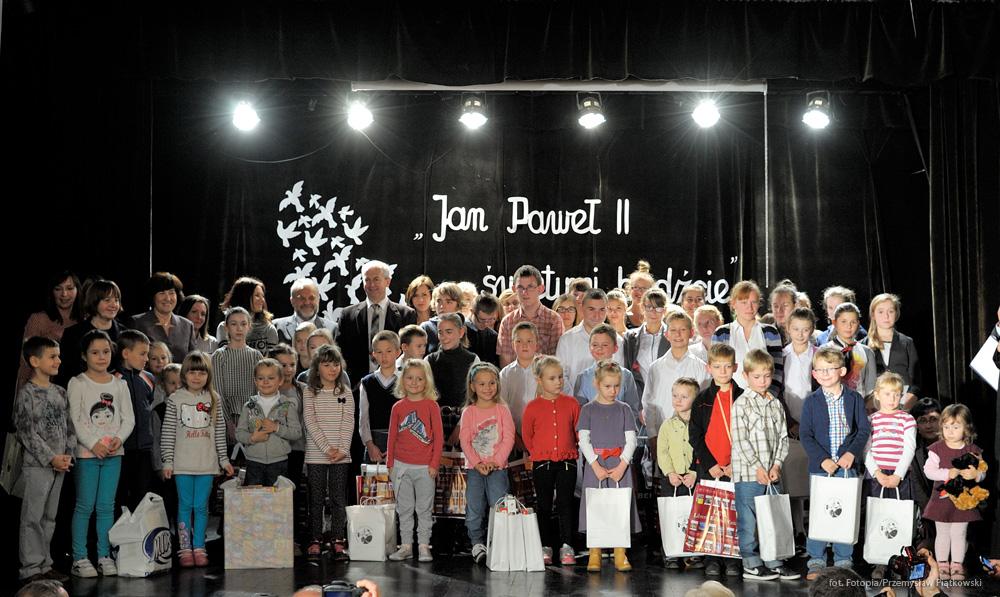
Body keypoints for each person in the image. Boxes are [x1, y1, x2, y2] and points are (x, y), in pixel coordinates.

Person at [800, 347, 871, 580]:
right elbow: (806, 435)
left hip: (846, 468)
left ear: (841, 371)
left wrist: (850, 454)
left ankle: (843, 559)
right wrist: (823, 460)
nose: (824, 374)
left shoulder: (854, 398)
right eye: (820, 370)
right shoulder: (811, 401)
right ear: (814, 374)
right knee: (820, 512)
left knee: (845, 512)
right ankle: (816, 559)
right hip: (821, 468)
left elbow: (863, 430)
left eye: (830, 369)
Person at [67, 330, 134, 578]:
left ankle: (104, 555)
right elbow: (74, 419)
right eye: (95, 352)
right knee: (85, 506)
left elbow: (128, 419)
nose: (101, 356)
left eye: (106, 351)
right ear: (84, 356)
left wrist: (118, 439)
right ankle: (80, 558)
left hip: (113, 455)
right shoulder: (78, 383)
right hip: (87, 455)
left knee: (106, 507)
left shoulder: (119, 384)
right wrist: (93, 443)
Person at [161, 351, 234, 568]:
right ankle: (185, 548)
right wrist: (167, 461)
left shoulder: (214, 398)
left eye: (202, 373)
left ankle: (199, 546)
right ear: (184, 374)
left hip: (206, 464)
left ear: (208, 375)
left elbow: (219, 432)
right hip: (182, 464)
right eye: (192, 372)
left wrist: (224, 459)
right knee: (185, 506)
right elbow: (168, 433)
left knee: (201, 507)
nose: (196, 377)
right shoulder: (175, 399)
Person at [730, 349, 798, 581]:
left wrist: (776, 465)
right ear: (746, 376)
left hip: (772, 474)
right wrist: (758, 467)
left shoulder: (776, 404)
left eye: (767, 376)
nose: (762, 381)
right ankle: (750, 562)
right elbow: (741, 441)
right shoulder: (741, 404)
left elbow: (783, 438)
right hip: (749, 474)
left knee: (773, 517)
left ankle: (774, 559)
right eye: (757, 376)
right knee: (748, 520)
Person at [16, 337, 74, 584]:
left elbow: (69, 427)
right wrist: (51, 458)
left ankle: (45, 564)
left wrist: (67, 455)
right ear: (34, 361)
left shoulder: (60, 392)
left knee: (49, 517)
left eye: (58, 356)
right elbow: (26, 432)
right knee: (33, 517)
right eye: (52, 356)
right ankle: (31, 568)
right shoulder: (26, 394)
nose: (58, 360)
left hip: (60, 465)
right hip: (37, 465)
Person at [579, 360, 640, 572]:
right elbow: (583, 440)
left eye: (616, 386)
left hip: (618, 466)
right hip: (596, 466)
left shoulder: (624, 409)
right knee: (595, 506)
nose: (612, 391)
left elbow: (631, 440)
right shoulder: (588, 410)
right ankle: (594, 552)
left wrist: (623, 465)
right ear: (597, 384)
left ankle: (620, 552)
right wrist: (595, 465)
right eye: (607, 386)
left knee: (619, 507)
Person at [688, 343, 743, 577]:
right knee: (711, 514)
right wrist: (710, 464)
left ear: (735, 367)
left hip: (735, 467)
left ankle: (732, 559)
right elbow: (695, 436)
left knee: (734, 514)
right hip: (710, 467)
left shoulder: (742, 397)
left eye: (727, 366)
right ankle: (712, 558)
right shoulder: (701, 399)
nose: (723, 371)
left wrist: (735, 464)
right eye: (717, 366)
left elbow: (747, 435)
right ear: (708, 368)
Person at [522, 356, 580, 566]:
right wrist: (538, 452)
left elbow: (578, 431)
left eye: (560, 377)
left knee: (566, 503)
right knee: (544, 504)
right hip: (542, 463)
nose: (558, 382)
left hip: (567, 462)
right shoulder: (532, 407)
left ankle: (567, 545)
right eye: (552, 378)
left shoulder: (571, 404)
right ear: (539, 380)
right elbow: (527, 435)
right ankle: (545, 545)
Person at [387, 359, 443, 563]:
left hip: (425, 468)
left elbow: (439, 438)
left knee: (424, 509)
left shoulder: (431, 406)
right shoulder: (398, 407)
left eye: (419, 378)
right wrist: (390, 464)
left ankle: (424, 546)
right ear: (402, 380)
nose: (414, 382)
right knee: (404, 509)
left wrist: (434, 463)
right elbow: (392, 437)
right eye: (409, 378)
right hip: (401, 466)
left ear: (427, 381)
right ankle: (406, 546)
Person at [302, 345, 354, 560]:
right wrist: (326, 448)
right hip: (316, 456)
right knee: (316, 498)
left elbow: (348, 422)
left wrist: (342, 449)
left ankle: (337, 539)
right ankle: (315, 539)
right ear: (317, 368)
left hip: (341, 457)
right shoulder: (310, 392)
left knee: (338, 498)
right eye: (326, 365)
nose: (332, 369)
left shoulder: (345, 392)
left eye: (336, 364)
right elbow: (310, 422)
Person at [460, 363, 515, 565]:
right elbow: (465, 441)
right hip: (475, 469)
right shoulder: (469, 412)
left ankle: (498, 542)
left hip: (497, 469)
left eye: (492, 383)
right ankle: (477, 543)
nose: (487, 387)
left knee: (499, 504)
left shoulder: (502, 410)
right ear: (472, 386)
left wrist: (495, 462)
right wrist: (477, 463)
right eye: (482, 384)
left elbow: (508, 438)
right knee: (474, 506)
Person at [922, 403, 985, 581]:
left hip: (963, 500)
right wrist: (947, 473)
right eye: (946, 426)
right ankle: (942, 564)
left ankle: (957, 565)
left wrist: (976, 475)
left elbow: (983, 471)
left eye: (956, 427)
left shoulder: (973, 450)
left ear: (967, 428)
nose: (950, 431)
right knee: (942, 533)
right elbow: (929, 471)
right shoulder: (937, 449)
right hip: (941, 500)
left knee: (959, 533)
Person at [863, 372, 917, 580]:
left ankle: (898, 564)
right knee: (878, 517)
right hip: (877, 476)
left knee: (898, 519)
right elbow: (866, 449)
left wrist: (897, 475)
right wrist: (876, 473)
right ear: (877, 395)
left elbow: (909, 448)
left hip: (898, 477)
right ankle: (878, 561)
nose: (892, 399)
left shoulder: (907, 419)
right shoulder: (871, 420)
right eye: (887, 394)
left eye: (896, 395)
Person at [336, 260, 417, 389]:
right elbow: (339, 352)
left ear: (387, 281)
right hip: (356, 387)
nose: (371, 284)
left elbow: (410, 353)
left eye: (376, 279)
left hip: (396, 387)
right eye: (367, 280)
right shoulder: (347, 315)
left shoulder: (406, 315)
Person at [642, 310, 709, 448]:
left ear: (691, 333)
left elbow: (704, 405)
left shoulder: (702, 368)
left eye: (683, 330)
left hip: (692, 438)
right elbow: (649, 403)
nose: (678, 334)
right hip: (662, 436)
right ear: (666, 334)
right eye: (673, 330)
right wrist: (652, 435)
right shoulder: (656, 367)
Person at [781, 307, 818, 547]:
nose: (800, 334)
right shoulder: (782, 356)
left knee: (813, 480)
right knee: (793, 478)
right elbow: (778, 390)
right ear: (788, 329)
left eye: (805, 330)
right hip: (789, 424)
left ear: (812, 329)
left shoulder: (818, 355)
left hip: (813, 424)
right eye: (796, 329)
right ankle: (798, 529)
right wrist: (790, 421)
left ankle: (816, 528)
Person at [711, 280, 784, 397]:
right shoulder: (721, 333)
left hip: (764, 399)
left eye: (753, 302)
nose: (749, 307)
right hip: (730, 399)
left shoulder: (770, 332)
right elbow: (716, 372)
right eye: (744, 302)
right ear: (733, 304)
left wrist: (768, 398)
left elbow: (777, 370)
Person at [236, 358, 302, 486]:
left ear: (280, 381)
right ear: (255, 381)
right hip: (253, 462)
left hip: (279, 462)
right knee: (255, 497)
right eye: (261, 378)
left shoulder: (287, 405)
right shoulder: (249, 406)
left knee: (278, 496)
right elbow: (239, 433)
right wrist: (252, 438)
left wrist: (276, 428)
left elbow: (296, 433)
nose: (265, 382)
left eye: (271, 378)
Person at [656, 377, 700, 570]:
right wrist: (670, 472)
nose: (678, 400)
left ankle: (695, 553)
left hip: (692, 477)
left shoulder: (699, 425)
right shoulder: (667, 425)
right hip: (672, 478)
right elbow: (662, 452)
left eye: (684, 396)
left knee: (693, 515)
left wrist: (694, 473)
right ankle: (671, 553)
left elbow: (700, 450)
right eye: (675, 396)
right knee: (671, 516)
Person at [211, 307, 264, 451]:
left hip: (252, 418)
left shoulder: (256, 356)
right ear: (226, 327)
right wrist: (228, 422)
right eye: (234, 324)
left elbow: (260, 391)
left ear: (249, 326)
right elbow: (218, 392)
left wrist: (254, 419)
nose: (239, 328)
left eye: (243, 324)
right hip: (227, 418)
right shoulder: (219, 356)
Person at [114, 330, 156, 512]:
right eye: (142, 354)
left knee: (141, 497)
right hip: (122, 450)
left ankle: (139, 531)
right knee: (120, 496)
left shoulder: (149, 379)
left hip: (144, 450)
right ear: (126, 353)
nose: (147, 358)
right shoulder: (113, 379)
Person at [17, 271, 81, 390]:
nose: (64, 294)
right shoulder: (39, 319)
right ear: (52, 292)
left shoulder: (85, 320)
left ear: (78, 290)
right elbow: (25, 361)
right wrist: (22, 393)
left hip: (78, 388)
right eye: (58, 289)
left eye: (70, 288)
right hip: (44, 389)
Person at [56, 279, 126, 386]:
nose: (113, 305)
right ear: (94, 302)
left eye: (116, 300)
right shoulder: (73, 334)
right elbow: (64, 374)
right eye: (107, 300)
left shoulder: (124, 333)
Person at [556, 288, 624, 393]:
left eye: (602, 309)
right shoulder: (567, 340)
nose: (597, 315)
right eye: (591, 309)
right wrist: (575, 400)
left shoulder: (618, 340)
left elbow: (621, 376)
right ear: (582, 309)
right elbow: (560, 375)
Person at [426, 312, 480, 445]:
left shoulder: (473, 359)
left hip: (465, 419)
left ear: (461, 332)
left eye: (449, 332)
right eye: (440, 332)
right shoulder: (429, 360)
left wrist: (460, 427)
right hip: (434, 420)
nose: (443, 337)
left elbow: (476, 397)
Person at [496, 265, 564, 367]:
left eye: (530, 287)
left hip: (544, 375)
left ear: (541, 289)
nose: (525, 292)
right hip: (515, 375)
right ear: (514, 289)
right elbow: (505, 363)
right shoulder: (507, 322)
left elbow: (555, 360)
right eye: (520, 287)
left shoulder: (553, 319)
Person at [573, 324, 641, 421]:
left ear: (615, 348)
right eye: (595, 345)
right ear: (589, 347)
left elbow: (632, 410)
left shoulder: (626, 376)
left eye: (605, 345)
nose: (599, 348)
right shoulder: (583, 377)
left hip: (619, 427)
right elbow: (580, 412)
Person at [864, 293, 921, 407]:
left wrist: (907, 402)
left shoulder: (907, 342)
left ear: (897, 314)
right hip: (874, 404)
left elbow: (916, 380)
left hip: (902, 402)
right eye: (880, 312)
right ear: (873, 314)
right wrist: (870, 404)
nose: (886, 316)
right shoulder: (863, 345)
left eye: (890, 311)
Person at [130, 272, 197, 363]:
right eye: (162, 293)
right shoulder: (137, 323)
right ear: (152, 296)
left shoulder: (187, 325)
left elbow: (192, 362)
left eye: (171, 293)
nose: (168, 298)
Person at [359, 331, 401, 462]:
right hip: (374, 442)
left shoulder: (406, 380)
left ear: (398, 352)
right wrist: (370, 445)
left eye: (389, 351)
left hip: (401, 442)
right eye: (379, 352)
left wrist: (399, 446)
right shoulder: (367, 382)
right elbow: (363, 419)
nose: (384, 356)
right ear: (374, 354)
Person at [621, 288, 670, 396]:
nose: (653, 312)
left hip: (667, 394)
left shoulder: (673, 336)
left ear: (664, 310)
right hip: (639, 395)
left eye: (658, 308)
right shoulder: (630, 337)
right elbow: (628, 370)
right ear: (643, 307)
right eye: (649, 307)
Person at [823, 302, 877, 399]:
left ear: (858, 323)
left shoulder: (867, 352)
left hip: (860, 403)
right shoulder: (824, 351)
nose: (849, 326)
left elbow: (871, 388)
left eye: (853, 322)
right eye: (843, 321)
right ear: (834, 323)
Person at [216, 276, 279, 352]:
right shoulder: (224, 327)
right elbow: (226, 356)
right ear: (244, 297)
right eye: (257, 295)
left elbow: (272, 358)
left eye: (263, 296)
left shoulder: (268, 329)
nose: (262, 300)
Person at [499, 321, 539, 433]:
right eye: (519, 341)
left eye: (529, 341)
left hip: (541, 430)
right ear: (513, 345)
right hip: (514, 431)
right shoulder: (505, 374)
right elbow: (502, 406)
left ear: (537, 344)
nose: (524, 345)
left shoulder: (545, 370)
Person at [273, 277, 337, 345]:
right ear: (292, 301)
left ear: (318, 299)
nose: (307, 302)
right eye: (302, 298)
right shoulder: (276, 327)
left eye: (311, 298)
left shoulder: (333, 329)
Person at [420, 281, 464, 353]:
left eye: (448, 302)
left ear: (458, 304)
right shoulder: (426, 328)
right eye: (438, 301)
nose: (442, 306)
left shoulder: (465, 326)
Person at [466, 293, 501, 366]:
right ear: (472, 312)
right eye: (482, 320)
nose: (486, 324)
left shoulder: (493, 336)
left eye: (491, 319)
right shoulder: (459, 332)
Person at [624, 260, 655, 329]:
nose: (640, 292)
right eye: (636, 287)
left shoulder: (656, 316)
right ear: (629, 289)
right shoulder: (622, 316)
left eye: (644, 288)